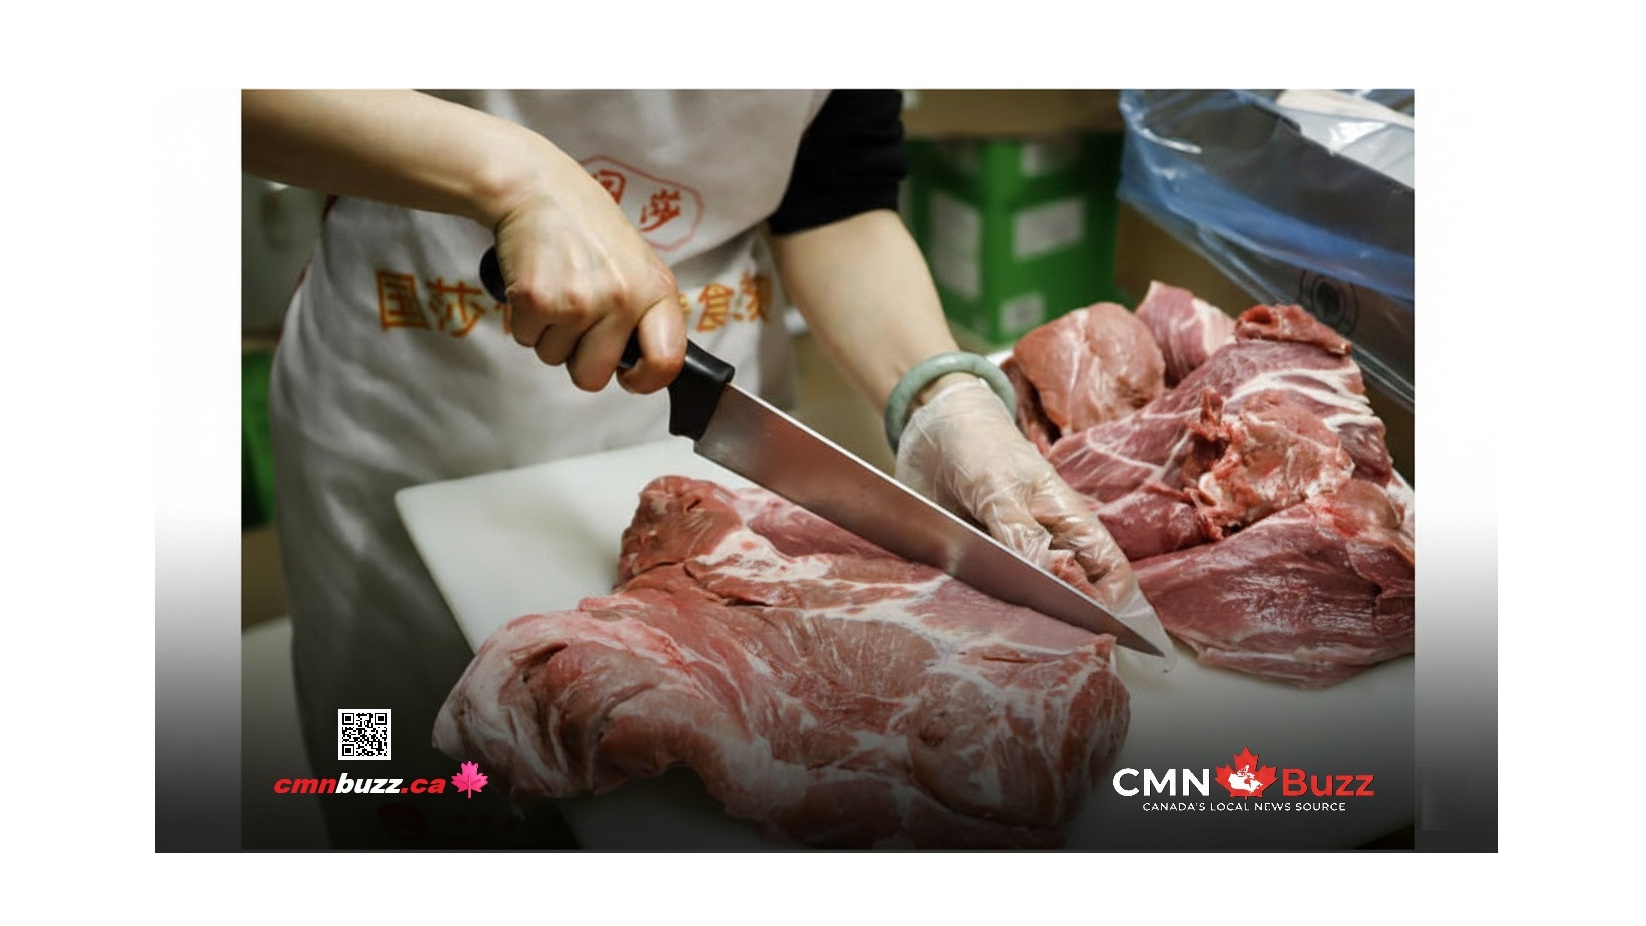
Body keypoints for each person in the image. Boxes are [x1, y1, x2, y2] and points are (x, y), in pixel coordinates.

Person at [241, 89, 1153, 849]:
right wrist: (516, 176)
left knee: (654, 826)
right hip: (409, 422)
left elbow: (837, 199)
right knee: (410, 796)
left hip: (698, 447)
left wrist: (939, 393)